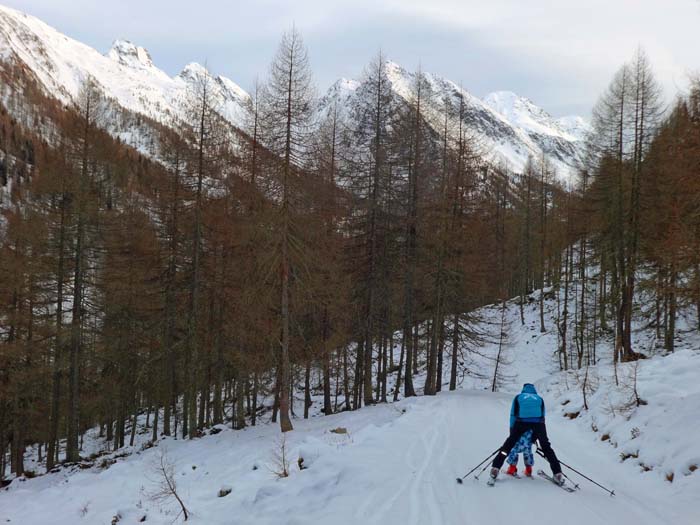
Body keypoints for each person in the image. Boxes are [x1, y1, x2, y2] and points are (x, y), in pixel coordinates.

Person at [490, 383, 564, 485]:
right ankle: (558, 473)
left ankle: (495, 468)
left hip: (521, 422)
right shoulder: (539, 398)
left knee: (508, 446)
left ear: (523, 389)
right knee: (546, 448)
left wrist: (512, 433)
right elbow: (542, 415)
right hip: (538, 424)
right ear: (534, 390)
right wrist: (537, 434)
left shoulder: (519, 397)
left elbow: (513, 414)